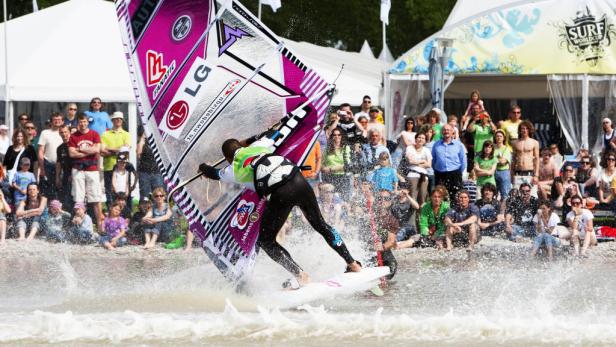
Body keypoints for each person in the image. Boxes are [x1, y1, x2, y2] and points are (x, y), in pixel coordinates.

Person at [198, 132, 362, 288]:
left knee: (266, 241)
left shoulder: (233, 170)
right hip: (299, 181)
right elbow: (273, 134)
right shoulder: (260, 145)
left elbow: (213, 173)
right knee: (320, 224)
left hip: (281, 192)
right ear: (241, 145)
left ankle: (300, 275)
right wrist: (248, 141)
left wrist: (203, 166)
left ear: (227, 158)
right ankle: (352, 263)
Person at [69, 114, 104, 232]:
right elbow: (72, 154)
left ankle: (100, 225)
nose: (82, 124)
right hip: (78, 169)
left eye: (84, 121)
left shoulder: (94, 134)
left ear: (87, 122)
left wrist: (80, 149)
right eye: (80, 122)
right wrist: (88, 152)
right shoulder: (73, 136)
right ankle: (79, 225)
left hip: (92, 168)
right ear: (78, 123)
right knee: (79, 199)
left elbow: (96, 149)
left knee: (95, 198)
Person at [101, 112, 131, 205]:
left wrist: (109, 149)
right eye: (116, 118)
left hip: (123, 168)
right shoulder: (105, 134)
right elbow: (102, 151)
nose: (118, 120)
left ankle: (126, 215)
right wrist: (119, 150)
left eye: (120, 119)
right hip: (109, 166)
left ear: (122, 121)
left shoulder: (126, 134)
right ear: (112, 120)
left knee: (125, 191)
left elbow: (125, 150)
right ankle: (111, 213)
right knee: (110, 192)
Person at [432, 124, 466, 204]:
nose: (446, 131)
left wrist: (458, 173)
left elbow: (463, 161)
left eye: (448, 130)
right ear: (442, 132)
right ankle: (442, 215)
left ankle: (455, 215)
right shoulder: (436, 144)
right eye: (444, 130)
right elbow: (433, 160)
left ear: (452, 132)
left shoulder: (459, 144)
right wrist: (437, 169)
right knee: (440, 197)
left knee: (456, 196)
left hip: (455, 174)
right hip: (440, 174)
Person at [38, 112, 64, 198]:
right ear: (51, 121)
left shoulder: (65, 132)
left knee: (61, 188)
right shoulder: (45, 133)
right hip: (48, 164)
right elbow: (41, 151)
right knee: (48, 191)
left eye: (59, 119)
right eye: (55, 120)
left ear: (63, 121)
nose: (57, 121)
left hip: (62, 165)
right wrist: (42, 169)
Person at [321, 129, 352, 199]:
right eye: (334, 135)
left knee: (344, 201)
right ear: (332, 137)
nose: (337, 136)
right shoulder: (327, 149)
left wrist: (330, 168)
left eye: (339, 135)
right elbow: (322, 163)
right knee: (331, 200)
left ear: (341, 136)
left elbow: (347, 165)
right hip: (330, 178)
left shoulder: (346, 148)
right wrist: (323, 168)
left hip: (343, 178)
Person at [512, 121, 540, 195]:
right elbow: (513, 159)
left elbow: (537, 159)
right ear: (519, 130)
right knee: (517, 196)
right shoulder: (515, 143)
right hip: (518, 173)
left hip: (530, 173)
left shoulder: (534, 142)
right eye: (522, 129)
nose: (524, 130)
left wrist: (536, 175)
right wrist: (511, 174)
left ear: (529, 130)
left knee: (532, 196)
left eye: (526, 129)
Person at [136, 126, 164, 199]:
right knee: (145, 194)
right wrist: (142, 139)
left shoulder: (156, 141)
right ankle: (146, 209)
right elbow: (138, 153)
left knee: (159, 194)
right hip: (144, 172)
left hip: (156, 171)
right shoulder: (142, 142)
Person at [405, 132, 431, 206]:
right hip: (412, 174)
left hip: (423, 175)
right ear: (415, 139)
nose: (420, 139)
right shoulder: (409, 148)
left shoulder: (426, 150)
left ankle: (421, 217)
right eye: (419, 137)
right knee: (412, 198)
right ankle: (412, 217)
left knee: (423, 198)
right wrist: (423, 161)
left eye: (423, 138)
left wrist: (416, 163)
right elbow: (410, 161)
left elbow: (429, 164)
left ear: (425, 140)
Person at [55, 125, 73, 209]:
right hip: (65, 175)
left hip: (75, 174)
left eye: (65, 132)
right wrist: (57, 177)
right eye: (61, 132)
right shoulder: (59, 148)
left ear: (69, 132)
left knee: (75, 197)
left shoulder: (74, 144)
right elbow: (58, 163)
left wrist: (73, 174)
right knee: (65, 197)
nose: (64, 134)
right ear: (59, 134)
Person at [493, 130, 512, 200]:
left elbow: (503, 162)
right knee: (494, 194)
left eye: (500, 136)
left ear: (504, 138)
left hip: (504, 172)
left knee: (505, 194)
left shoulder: (506, 149)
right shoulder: (492, 147)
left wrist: (493, 161)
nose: (498, 138)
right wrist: (498, 160)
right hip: (493, 172)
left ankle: (504, 210)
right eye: (497, 136)